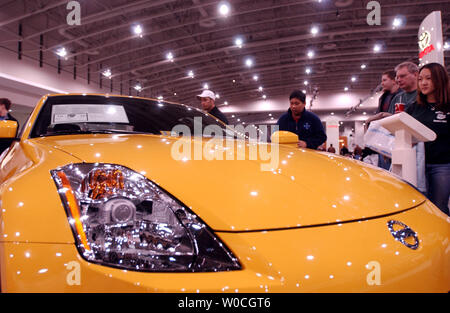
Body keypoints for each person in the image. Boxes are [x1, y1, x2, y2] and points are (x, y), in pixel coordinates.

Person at [405, 63, 449, 216]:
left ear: (440, 79)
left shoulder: (447, 106)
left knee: (439, 207)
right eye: (421, 79)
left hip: (442, 165)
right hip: (416, 166)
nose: (423, 83)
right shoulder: (414, 107)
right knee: (418, 206)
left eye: (428, 79)